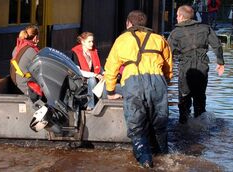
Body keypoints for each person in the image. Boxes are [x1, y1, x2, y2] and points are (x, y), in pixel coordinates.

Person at [104, 10, 173, 168]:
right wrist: (165, 84)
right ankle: (164, 157)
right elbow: (168, 66)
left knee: (136, 125)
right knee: (160, 124)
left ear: (128, 23)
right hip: (157, 81)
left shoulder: (122, 39)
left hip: (133, 81)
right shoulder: (159, 39)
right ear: (144, 23)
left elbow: (111, 67)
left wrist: (111, 91)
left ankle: (145, 160)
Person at [167, 5, 224, 124]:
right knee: (200, 98)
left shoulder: (175, 32)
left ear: (182, 16)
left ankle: (183, 126)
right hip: (202, 66)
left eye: (177, 15)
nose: (176, 18)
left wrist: (167, 72)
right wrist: (220, 62)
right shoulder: (206, 28)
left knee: (184, 98)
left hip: (185, 68)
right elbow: (217, 45)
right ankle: (201, 129)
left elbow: (167, 54)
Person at [71, 32, 104, 111]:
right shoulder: (76, 52)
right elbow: (78, 71)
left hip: (94, 76)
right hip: (81, 78)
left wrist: (104, 73)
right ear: (82, 41)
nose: (92, 44)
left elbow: (99, 66)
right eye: (89, 41)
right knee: (92, 80)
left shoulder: (94, 51)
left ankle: (102, 103)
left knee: (105, 79)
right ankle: (91, 105)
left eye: (92, 41)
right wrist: (95, 75)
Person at [10, 24, 40, 99]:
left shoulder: (17, 47)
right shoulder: (32, 51)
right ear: (35, 37)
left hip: (15, 85)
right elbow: (40, 69)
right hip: (25, 88)